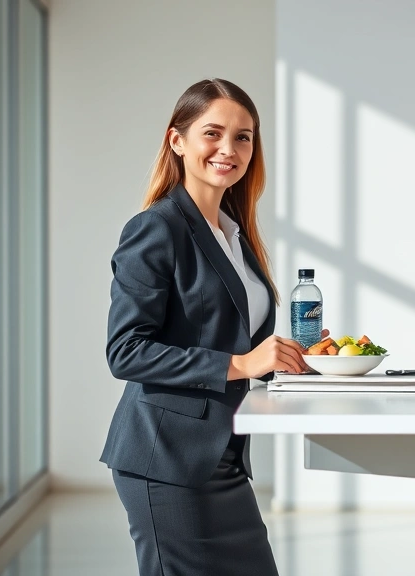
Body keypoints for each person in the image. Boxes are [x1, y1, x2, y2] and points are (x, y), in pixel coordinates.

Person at [101, 78, 320, 575]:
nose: (229, 148)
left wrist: (291, 364)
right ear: (177, 141)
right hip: (167, 462)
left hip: (221, 458)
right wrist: (240, 363)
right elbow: (127, 351)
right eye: (213, 133)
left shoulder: (234, 233)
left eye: (244, 137)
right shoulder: (155, 228)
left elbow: (233, 337)